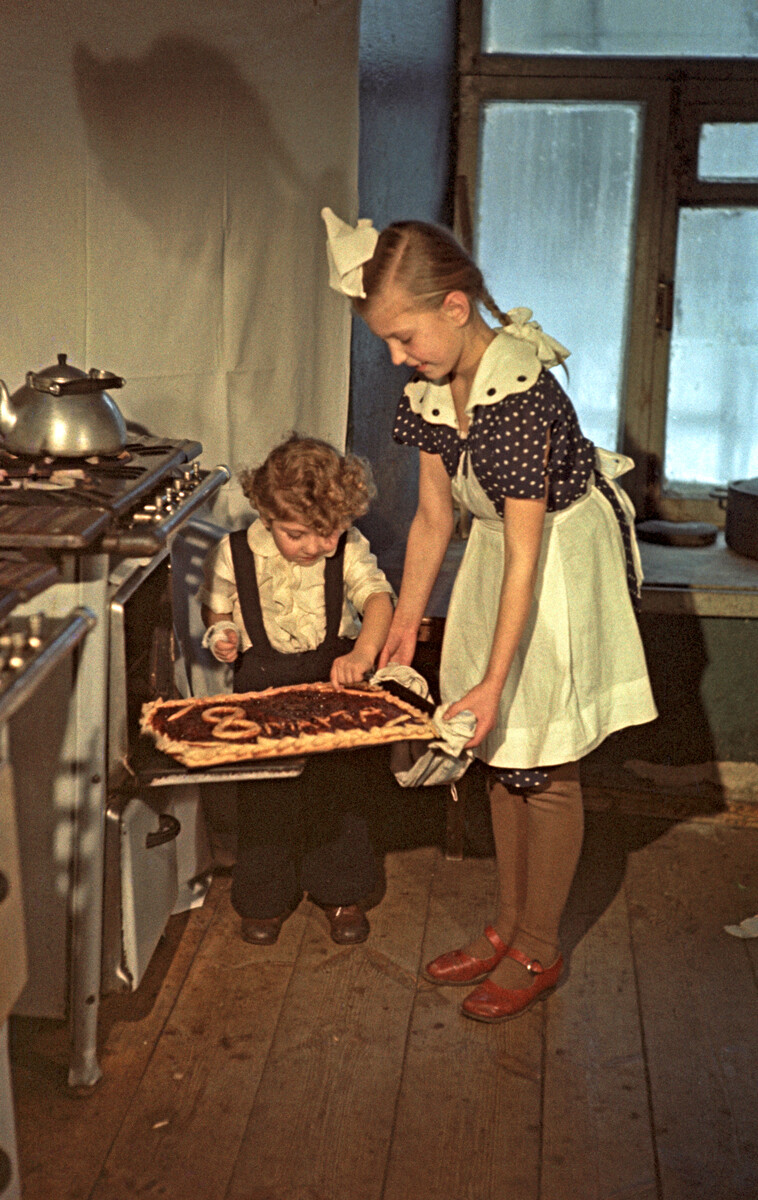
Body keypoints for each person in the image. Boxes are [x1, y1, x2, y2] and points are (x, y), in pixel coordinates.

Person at [321, 207, 657, 1020]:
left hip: (555, 572)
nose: (399, 357)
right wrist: (405, 621)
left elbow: (528, 551)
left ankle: (540, 945)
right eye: (387, 345)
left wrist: (495, 675)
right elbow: (437, 518)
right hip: (496, 560)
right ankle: (507, 925)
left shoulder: (518, 396)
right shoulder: (439, 389)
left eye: (404, 338)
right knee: (494, 744)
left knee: (544, 759)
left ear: (455, 307)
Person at [198, 433, 395, 947]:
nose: (314, 546)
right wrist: (222, 633)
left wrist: (361, 655)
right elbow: (217, 608)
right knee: (266, 796)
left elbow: (377, 599)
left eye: (327, 534)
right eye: (297, 534)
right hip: (260, 682)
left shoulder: (347, 549)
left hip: (331, 678)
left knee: (338, 793)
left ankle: (341, 891)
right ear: (266, 514)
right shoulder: (234, 552)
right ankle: (264, 898)